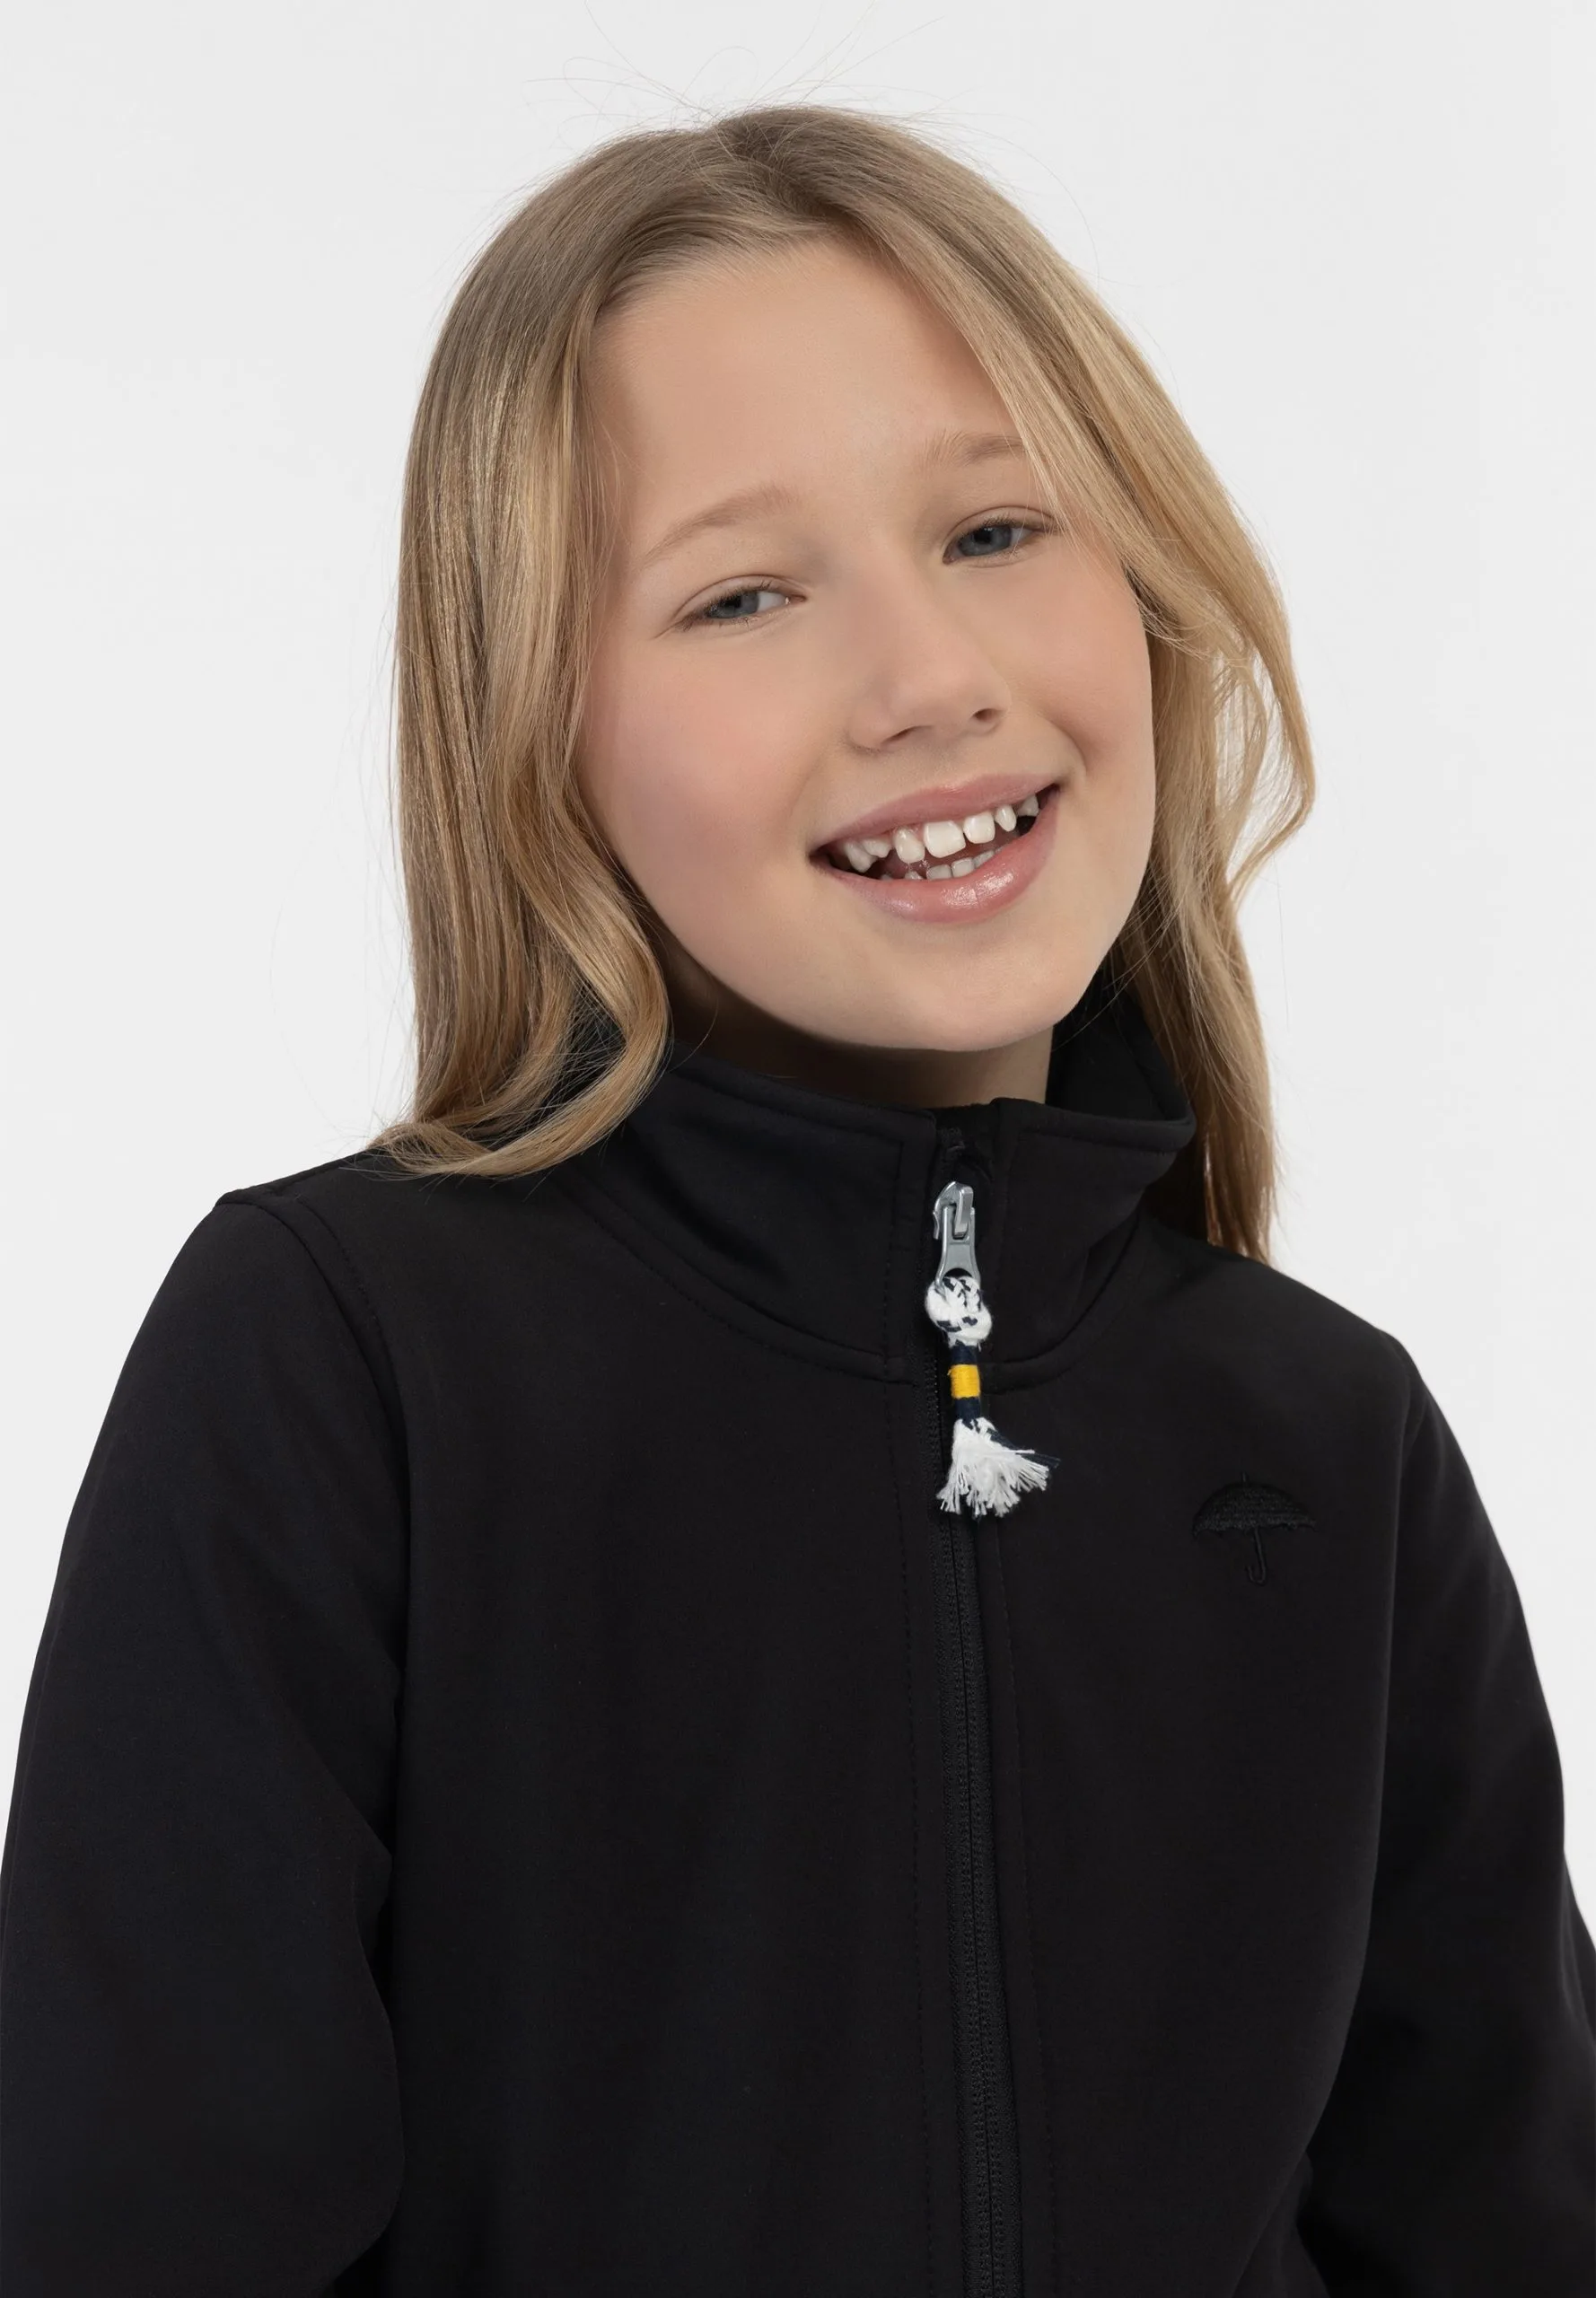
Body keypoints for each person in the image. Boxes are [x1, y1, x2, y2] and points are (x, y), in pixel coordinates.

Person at [1, 101, 1591, 2298]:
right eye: (743, 591)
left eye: (996, 527)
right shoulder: (342, 1357)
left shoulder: (1328, 1438)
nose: (928, 680)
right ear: (536, 731)